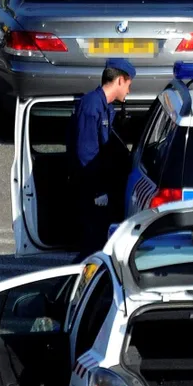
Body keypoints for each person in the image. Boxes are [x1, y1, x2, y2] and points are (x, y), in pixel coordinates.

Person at [67, 58, 133, 262]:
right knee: (92, 246)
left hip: (99, 188)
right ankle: (72, 286)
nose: (129, 91)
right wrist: (98, 191)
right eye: (129, 85)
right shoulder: (92, 106)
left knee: (99, 244)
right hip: (90, 189)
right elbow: (86, 153)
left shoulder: (106, 107)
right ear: (120, 81)